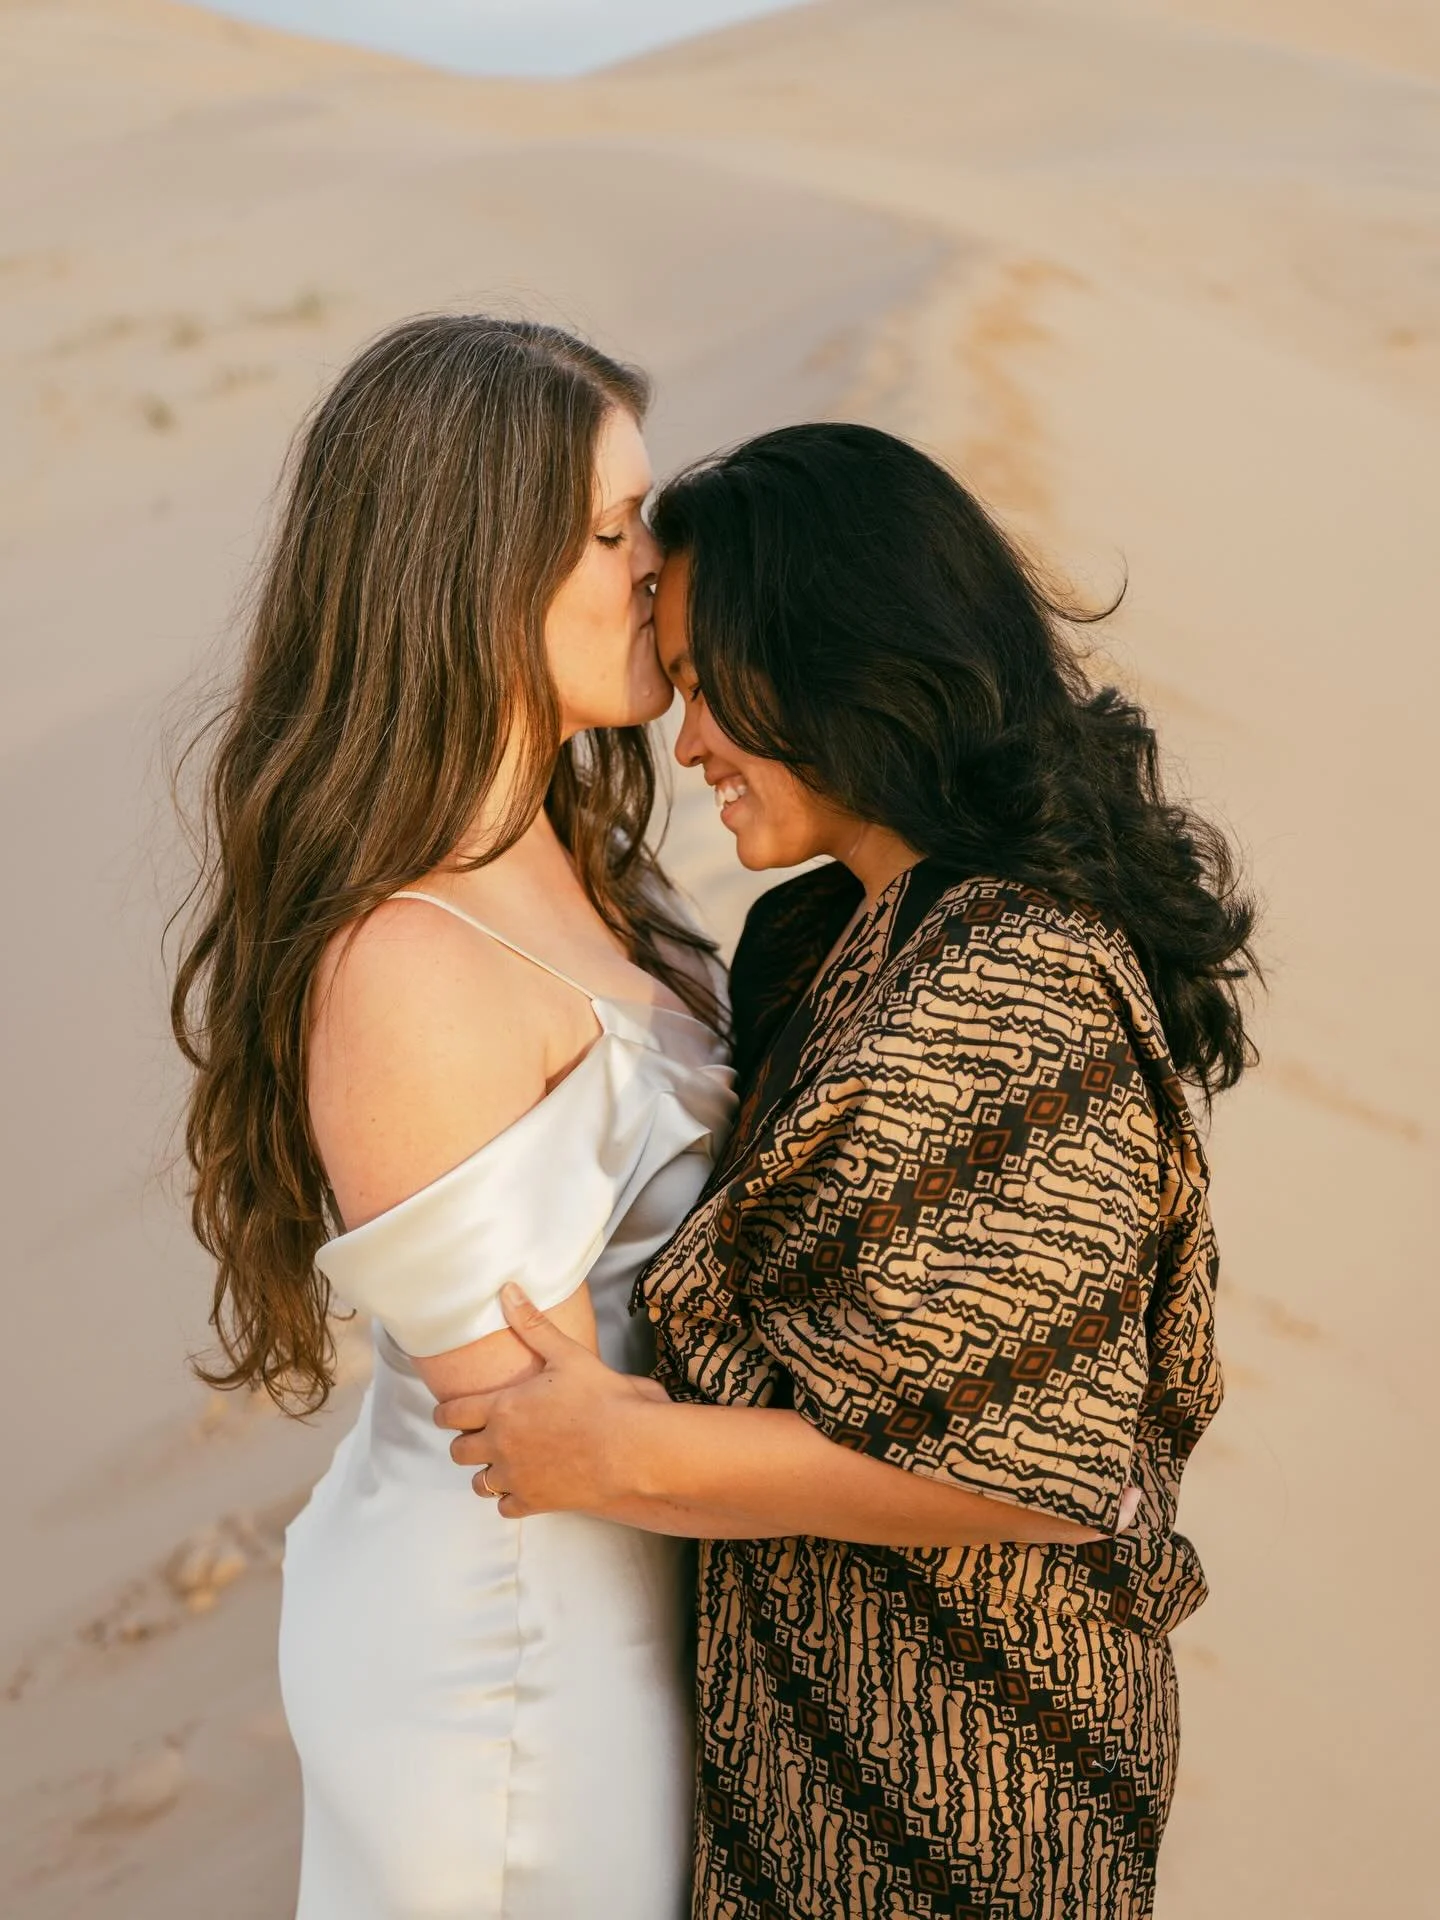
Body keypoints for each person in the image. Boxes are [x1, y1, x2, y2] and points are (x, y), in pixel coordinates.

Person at [437, 423, 1256, 1919]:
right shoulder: (836, 938)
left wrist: (623, 1455)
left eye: (701, 690)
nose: (685, 747)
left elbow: (1031, 1479)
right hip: (819, 1740)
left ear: (831, 655)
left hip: (967, 1772)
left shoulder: (1014, 977)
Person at [170, 315, 737, 1919]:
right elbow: (541, 1434)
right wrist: (929, 1485)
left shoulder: (591, 864)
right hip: (520, 1657)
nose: (657, 567)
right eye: (613, 531)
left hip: (651, 1600)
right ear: (469, 564)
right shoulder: (406, 962)